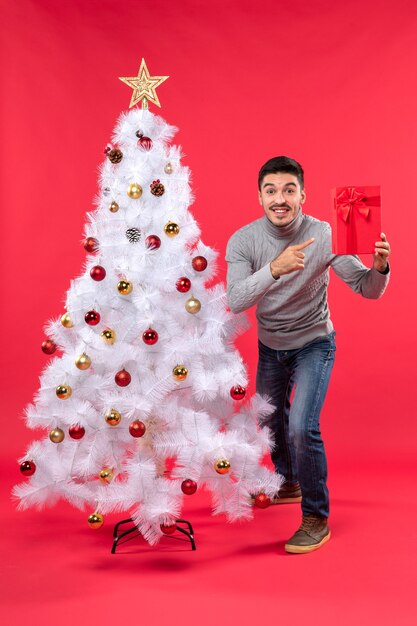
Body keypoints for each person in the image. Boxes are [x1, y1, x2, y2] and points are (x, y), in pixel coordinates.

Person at [225, 156, 390, 554]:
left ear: (302, 194)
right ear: (260, 196)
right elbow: (234, 300)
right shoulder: (244, 240)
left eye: (288, 189)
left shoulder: (325, 234)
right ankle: (288, 482)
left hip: (315, 342)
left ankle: (316, 517)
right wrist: (275, 269)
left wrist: (381, 267)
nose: (279, 198)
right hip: (271, 346)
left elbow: (367, 289)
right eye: (271, 190)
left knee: (301, 426)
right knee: (270, 419)